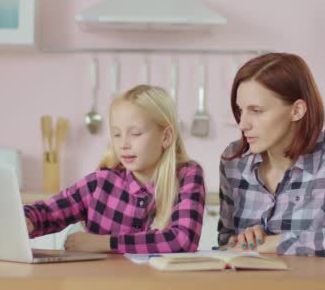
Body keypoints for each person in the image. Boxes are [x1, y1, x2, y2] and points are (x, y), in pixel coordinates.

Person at [218, 53, 325, 257]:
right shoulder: (234, 161)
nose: (242, 124)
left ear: (297, 110)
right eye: (240, 110)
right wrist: (244, 239)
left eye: (256, 110)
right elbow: (225, 243)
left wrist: (280, 242)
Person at [25, 85, 205, 253]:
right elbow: (48, 211)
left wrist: (105, 243)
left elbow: (182, 240)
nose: (123, 144)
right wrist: (27, 220)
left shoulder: (187, 176)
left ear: (165, 137)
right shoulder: (100, 183)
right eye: (117, 134)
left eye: (135, 134)